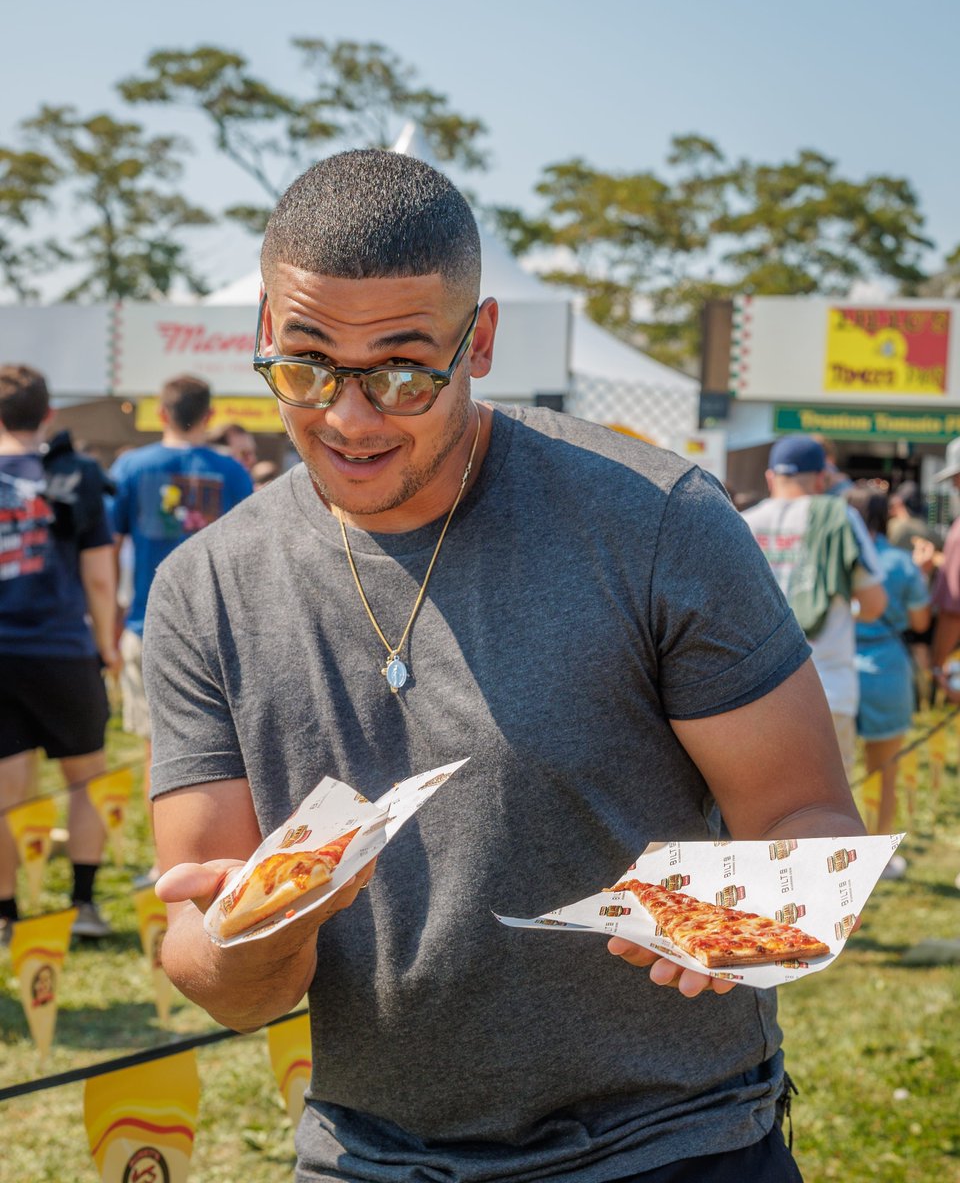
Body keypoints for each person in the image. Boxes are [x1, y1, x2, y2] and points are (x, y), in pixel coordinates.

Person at [148, 149, 867, 1183]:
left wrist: (755, 913)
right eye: (306, 364)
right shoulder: (205, 588)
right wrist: (249, 934)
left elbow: (807, 815)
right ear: (264, 327)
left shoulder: (654, 522)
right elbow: (221, 974)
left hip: (672, 1144)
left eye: (403, 371)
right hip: (374, 1153)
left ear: (479, 340)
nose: (350, 416)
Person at [109, 376, 252, 885]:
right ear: (209, 416)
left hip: (148, 621)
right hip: (222, 627)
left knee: (159, 753)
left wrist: (111, 621)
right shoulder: (231, 471)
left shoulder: (130, 467)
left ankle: (165, 861)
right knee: (230, 751)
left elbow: (108, 550)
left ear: (162, 413)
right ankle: (225, 855)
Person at [0, 364, 119, 943]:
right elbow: (99, 576)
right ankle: (84, 904)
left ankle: (5, 916)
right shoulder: (77, 472)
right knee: (86, 780)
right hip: (62, 649)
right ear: (48, 413)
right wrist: (107, 646)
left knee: (3, 793)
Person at [741, 436, 887, 783]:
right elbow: (874, 604)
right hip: (827, 687)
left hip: (753, 695)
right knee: (829, 805)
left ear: (770, 477)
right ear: (822, 478)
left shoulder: (742, 522)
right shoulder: (840, 517)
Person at [845, 486, 930, 877]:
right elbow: (920, 621)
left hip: (836, 669)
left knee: (834, 775)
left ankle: (837, 855)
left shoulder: (836, 558)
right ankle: (878, 858)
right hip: (887, 669)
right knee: (884, 771)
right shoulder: (899, 561)